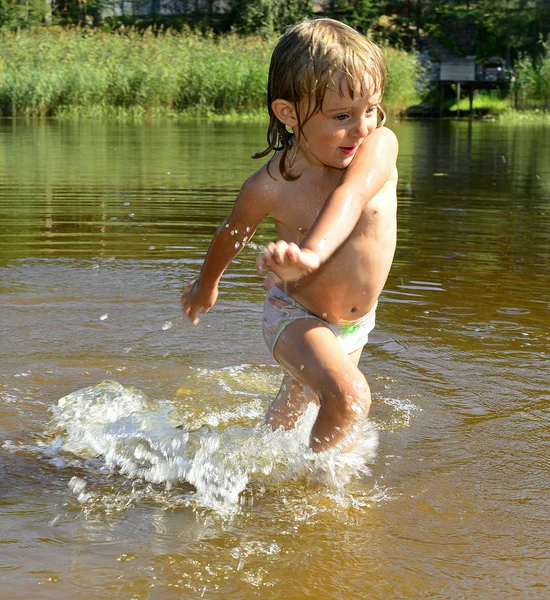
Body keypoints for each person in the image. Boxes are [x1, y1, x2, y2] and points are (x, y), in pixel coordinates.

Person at [182, 18, 398, 454]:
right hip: (294, 315)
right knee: (349, 396)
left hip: (354, 324)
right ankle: (318, 495)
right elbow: (232, 233)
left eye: (370, 109)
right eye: (342, 116)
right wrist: (207, 286)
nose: (362, 127)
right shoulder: (270, 186)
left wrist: (311, 253)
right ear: (289, 113)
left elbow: (352, 196)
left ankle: (253, 467)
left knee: (290, 421)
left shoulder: (379, 146)